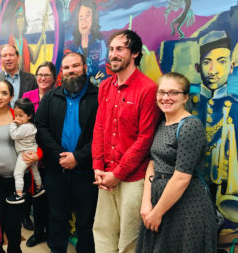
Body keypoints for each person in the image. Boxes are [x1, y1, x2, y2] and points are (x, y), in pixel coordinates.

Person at [92, 30, 160, 253]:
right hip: (105, 174)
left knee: (129, 242)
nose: (113, 54)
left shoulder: (148, 89)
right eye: (111, 49)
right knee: (102, 233)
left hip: (132, 178)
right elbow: (100, 128)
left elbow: (145, 139)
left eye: (120, 49)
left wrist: (117, 174)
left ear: (135, 53)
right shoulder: (105, 87)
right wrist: (98, 167)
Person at [136, 72, 217, 252]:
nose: (166, 97)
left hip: (186, 208)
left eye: (173, 93)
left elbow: (181, 178)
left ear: (185, 97)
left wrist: (157, 213)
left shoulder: (190, 126)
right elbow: (153, 162)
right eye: (162, 92)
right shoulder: (162, 124)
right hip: (159, 203)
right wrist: (146, 202)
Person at [189, 31, 238, 243]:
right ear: (198, 67)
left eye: (221, 61)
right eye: (207, 62)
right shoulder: (186, 105)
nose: (213, 70)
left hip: (228, 203)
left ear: (231, 65)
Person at [36, 52, 98, 253]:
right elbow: (41, 127)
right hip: (57, 169)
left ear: (84, 68)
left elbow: (101, 134)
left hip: (86, 171)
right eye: (67, 68)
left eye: (75, 66)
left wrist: (78, 158)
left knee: (85, 220)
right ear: (62, 72)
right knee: (56, 215)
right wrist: (60, 156)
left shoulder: (98, 96)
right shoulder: (51, 96)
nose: (71, 71)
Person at [0, 80, 41, 253]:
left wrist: (37, 155)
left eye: (4, 93)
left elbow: (35, 142)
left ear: (11, 96)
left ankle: (14, 248)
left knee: (14, 221)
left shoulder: (19, 116)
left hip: (18, 180)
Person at [22, 61, 56, 247]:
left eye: (47, 75)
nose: (42, 78)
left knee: (52, 198)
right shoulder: (28, 96)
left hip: (51, 155)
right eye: (39, 74)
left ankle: (51, 234)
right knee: (36, 197)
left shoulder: (58, 96)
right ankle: (38, 232)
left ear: (54, 78)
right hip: (31, 156)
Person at [6, 98, 45, 204]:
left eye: (21, 116)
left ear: (30, 116)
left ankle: (18, 194)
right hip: (32, 151)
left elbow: (14, 135)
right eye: (16, 115)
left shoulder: (26, 127)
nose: (17, 118)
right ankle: (39, 187)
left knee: (18, 173)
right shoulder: (30, 126)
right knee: (35, 170)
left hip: (25, 153)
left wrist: (13, 124)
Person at [65, 0, 107, 86]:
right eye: (80, 17)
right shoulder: (72, 48)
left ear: (93, 18)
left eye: (87, 16)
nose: (84, 21)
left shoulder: (100, 43)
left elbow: (102, 73)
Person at [0, 44, 37, 110]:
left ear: (18, 57)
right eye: (4, 56)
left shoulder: (32, 79)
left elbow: (35, 106)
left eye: (11, 55)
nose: (8, 59)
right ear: (1, 59)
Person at [8, 2, 47, 72]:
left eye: (22, 16)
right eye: (18, 17)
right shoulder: (12, 40)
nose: (21, 20)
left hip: (25, 80)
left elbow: (34, 59)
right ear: (15, 20)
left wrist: (42, 35)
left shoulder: (24, 42)